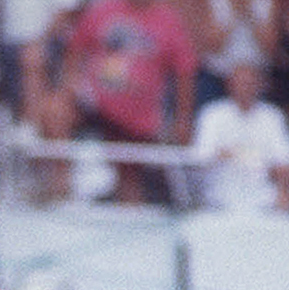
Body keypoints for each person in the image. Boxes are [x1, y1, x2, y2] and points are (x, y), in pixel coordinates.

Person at [41, 0, 198, 204]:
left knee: (130, 185)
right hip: (95, 104)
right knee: (54, 110)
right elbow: (76, 47)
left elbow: (185, 71)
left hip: (138, 119)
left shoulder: (168, 20)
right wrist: (71, 82)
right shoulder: (103, 10)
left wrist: (183, 119)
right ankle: (61, 188)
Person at [191, 58, 289, 212]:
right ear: (229, 84)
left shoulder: (272, 116)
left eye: (250, 83)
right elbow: (201, 156)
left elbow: (285, 160)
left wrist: (285, 190)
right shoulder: (212, 114)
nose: (246, 88)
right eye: (241, 83)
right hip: (219, 197)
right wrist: (242, 155)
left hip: (264, 197)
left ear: (260, 85)